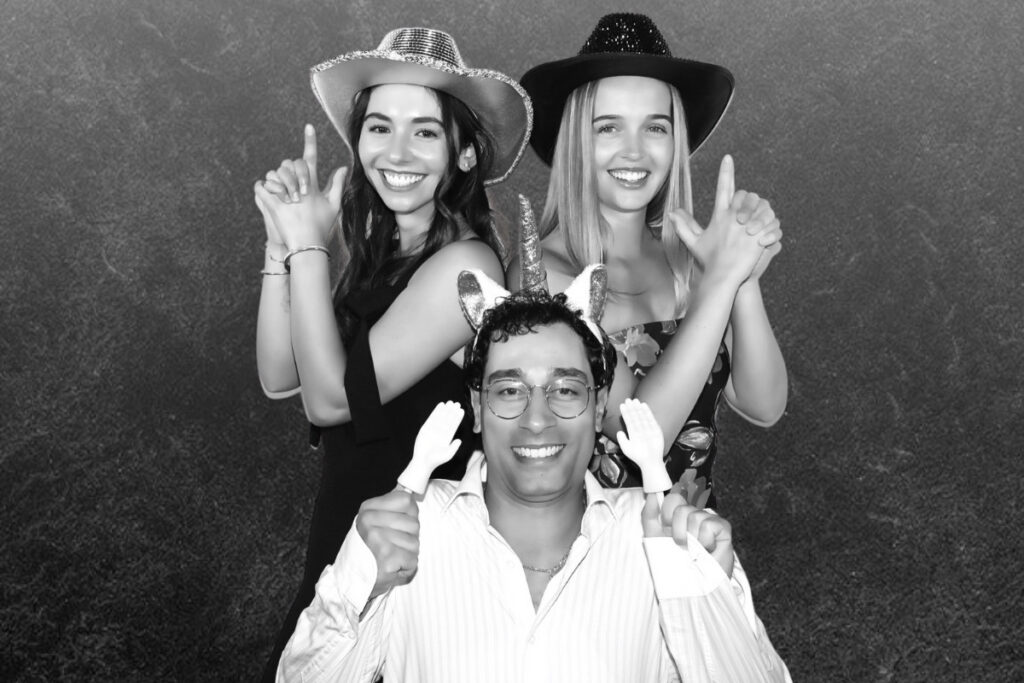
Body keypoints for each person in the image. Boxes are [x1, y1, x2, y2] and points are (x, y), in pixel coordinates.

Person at [277, 268, 791, 682]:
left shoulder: (666, 539)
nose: (537, 417)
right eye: (508, 390)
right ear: (476, 407)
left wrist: (704, 599)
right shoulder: (407, 533)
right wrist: (356, 585)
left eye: (565, 389)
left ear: (597, 410)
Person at [252, 27, 531, 679]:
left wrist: (310, 250)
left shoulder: (467, 268)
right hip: (344, 566)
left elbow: (330, 400)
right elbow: (280, 377)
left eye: (426, 132)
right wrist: (280, 244)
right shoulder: (383, 261)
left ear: (464, 154)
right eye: (380, 127)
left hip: (406, 598)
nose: (397, 150)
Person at [510, 13, 787, 508]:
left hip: (695, 560)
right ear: (577, 139)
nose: (634, 152)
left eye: (655, 127)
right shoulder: (545, 276)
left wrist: (740, 272)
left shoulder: (691, 261)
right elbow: (643, 437)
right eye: (608, 128)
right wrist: (721, 280)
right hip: (596, 568)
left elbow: (764, 406)